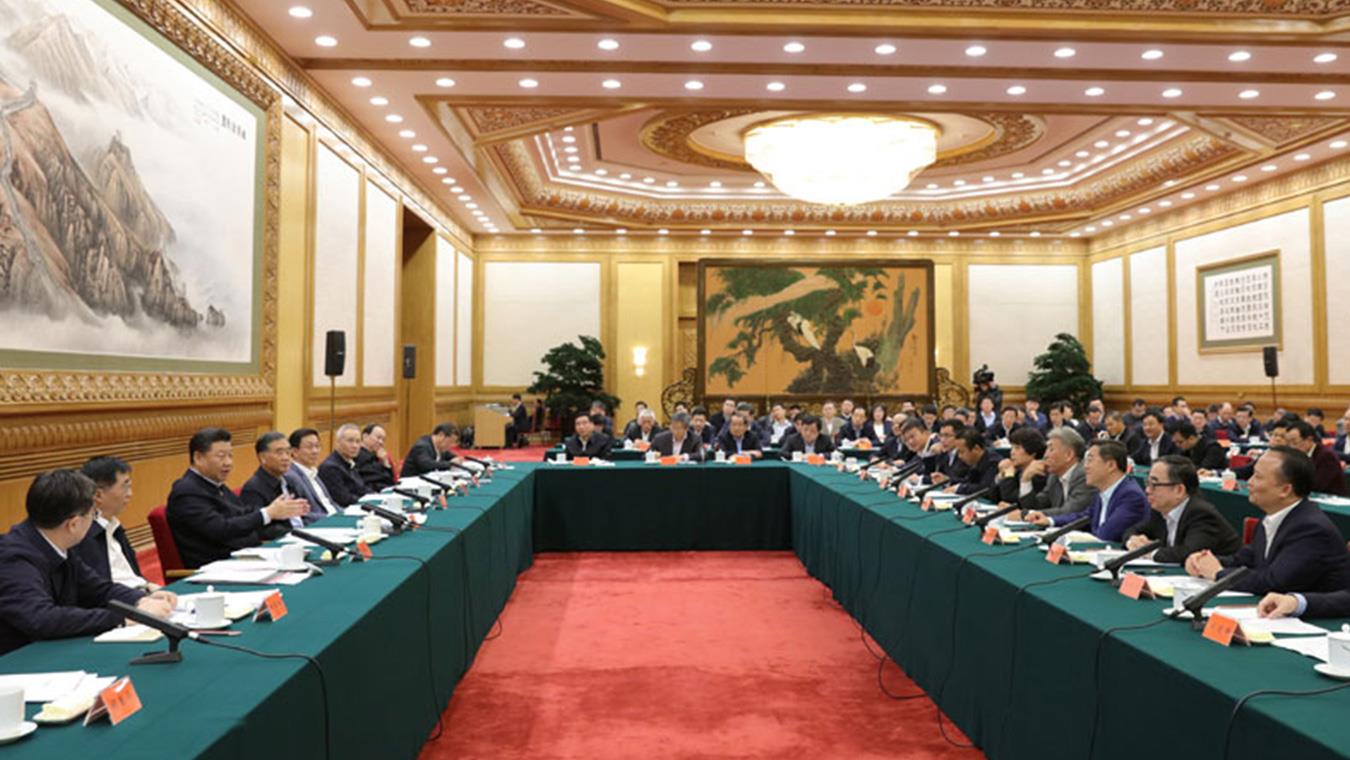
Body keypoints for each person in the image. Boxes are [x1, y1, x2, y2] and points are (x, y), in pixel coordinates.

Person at [0, 470, 176, 655]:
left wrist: (139, 599)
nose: (94, 521)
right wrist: (125, 617)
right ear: (73, 524)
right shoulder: (12, 558)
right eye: (94, 514)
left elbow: (98, 589)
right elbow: (41, 618)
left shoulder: (58, 542)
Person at [1185, 446, 1350, 596]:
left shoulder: (1310, 528)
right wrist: (1204, 561)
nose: (1249, 482)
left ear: (1285, 490)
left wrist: (1218, 573)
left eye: (1257, 477)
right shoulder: (1272, 517)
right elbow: (1245, 560)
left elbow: (1274, 582)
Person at [166, 429, 308, 569]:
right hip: (217, 568)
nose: (228, 462)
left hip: (243, 559)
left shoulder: (215, 485)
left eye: (230, 456)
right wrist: (267, 513)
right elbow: (221, 529)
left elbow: (242, 512)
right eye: (221, 456)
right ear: (198, 458)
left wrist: (276, 511)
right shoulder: (187, 491)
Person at [1122, 455, 1241, 564]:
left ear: (1179, 490)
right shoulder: (1160, 509)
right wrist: (1132, 540)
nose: (1147, 490)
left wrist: (1147, 551)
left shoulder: (1201, 514)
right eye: (1147, 483)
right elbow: (1132, 530)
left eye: (1154, 484)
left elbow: (1187, 553)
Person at [1026, 440, 1147, 542]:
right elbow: (1084, 517)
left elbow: (1105, 535)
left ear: (1110, 465)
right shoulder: (1102, 491)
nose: (1085, 466)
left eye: (1090, 460)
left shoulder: (1131, 496)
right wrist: (1049, 520)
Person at [72, 456, 152, 590]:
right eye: (125, 486)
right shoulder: (83, 536)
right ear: (98, 495)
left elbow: (133, 575)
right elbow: (98, 590)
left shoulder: (114, 526)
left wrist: (148, 586)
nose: (130, 494)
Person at [1014, 427, 1095, 521]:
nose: (1045, 456)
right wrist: (1025, 480)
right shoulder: (1054, 477)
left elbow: (1070, 512)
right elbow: (1037, 506)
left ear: (1068, 455)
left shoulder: (1085, 474)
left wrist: (1026, 514)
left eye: (1051, 449)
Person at [241, 432, 307, 529]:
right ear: (263, 457)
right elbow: (258, 528)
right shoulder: (253, 489)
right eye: (279, 453)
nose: (286, 458)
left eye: (288, 452)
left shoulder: (290, 480)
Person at [1278, 420, 1347, 496]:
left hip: (1329, 498)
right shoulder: (1296, 455)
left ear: (1309, 440)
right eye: (1288, 443)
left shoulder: (1326, 456)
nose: (1291, 447)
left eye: (1294, 442)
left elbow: (1317, 485)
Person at [287, 428, 341, 522]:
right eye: (309, 447)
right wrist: (333, 518)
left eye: (317, 446)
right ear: (294, 452)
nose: (315, 451)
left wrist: (345, 514)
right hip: (322, 524)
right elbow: (302, 515)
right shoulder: (291, 477)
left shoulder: (313, 472)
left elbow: (330, 503)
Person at [319, 424, 372, 507]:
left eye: (358, 441)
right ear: (338, 442)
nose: (355, 446)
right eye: (350, 441)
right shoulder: (330, 467)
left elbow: (361, 488)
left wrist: (377, 496)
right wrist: (369, 501)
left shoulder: (349, 462)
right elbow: (343, 499)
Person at [995, 427, 1046, 506]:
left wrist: (1008, 477)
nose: (1012, 452)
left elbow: (1012, 500)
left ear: (1032, 452)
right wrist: (1000, 476)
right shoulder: (1018, 470)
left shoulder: (1038, 475)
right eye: (1012, 447)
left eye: (1017, 448)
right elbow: (993, 496)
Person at [943, 430, 1001, 496]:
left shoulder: (993, 463)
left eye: (962, 452)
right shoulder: (974, 461)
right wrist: (947, 480)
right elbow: (968, 481)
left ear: (976, 449)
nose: (959, 456)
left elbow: (985, 488)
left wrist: (959, 488)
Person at [926, 420, 969, 485]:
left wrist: (947, 480)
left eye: (947, 436)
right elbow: (931, 475)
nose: (943, 440)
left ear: (959, 436)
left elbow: (968, 481)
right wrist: (931, 453)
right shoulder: (944, 454)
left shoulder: (965, 454)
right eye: (941, 436)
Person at [354, 424, 396, 491]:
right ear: (365, 436)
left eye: (383, 440)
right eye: (378, 438)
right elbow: (381, 479)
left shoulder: (377, 456)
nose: (381, 442)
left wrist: (385, 463)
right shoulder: (358, 455)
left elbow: (391, 481)